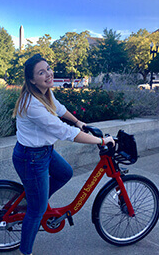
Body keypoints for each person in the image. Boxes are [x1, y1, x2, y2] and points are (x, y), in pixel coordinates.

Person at [12, 54, 115, 255]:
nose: (48, 74)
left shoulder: (45, 93)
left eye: (48, 69)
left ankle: (35, 200)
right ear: (32, 79)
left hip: (44, 152)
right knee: (37, 211)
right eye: (41, 72)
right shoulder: (32, 104)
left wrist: (78, 122)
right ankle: (25, 251)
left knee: (65, 173)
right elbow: (64, 132)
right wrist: (101, 141)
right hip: (31, 158)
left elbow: (60, 110)